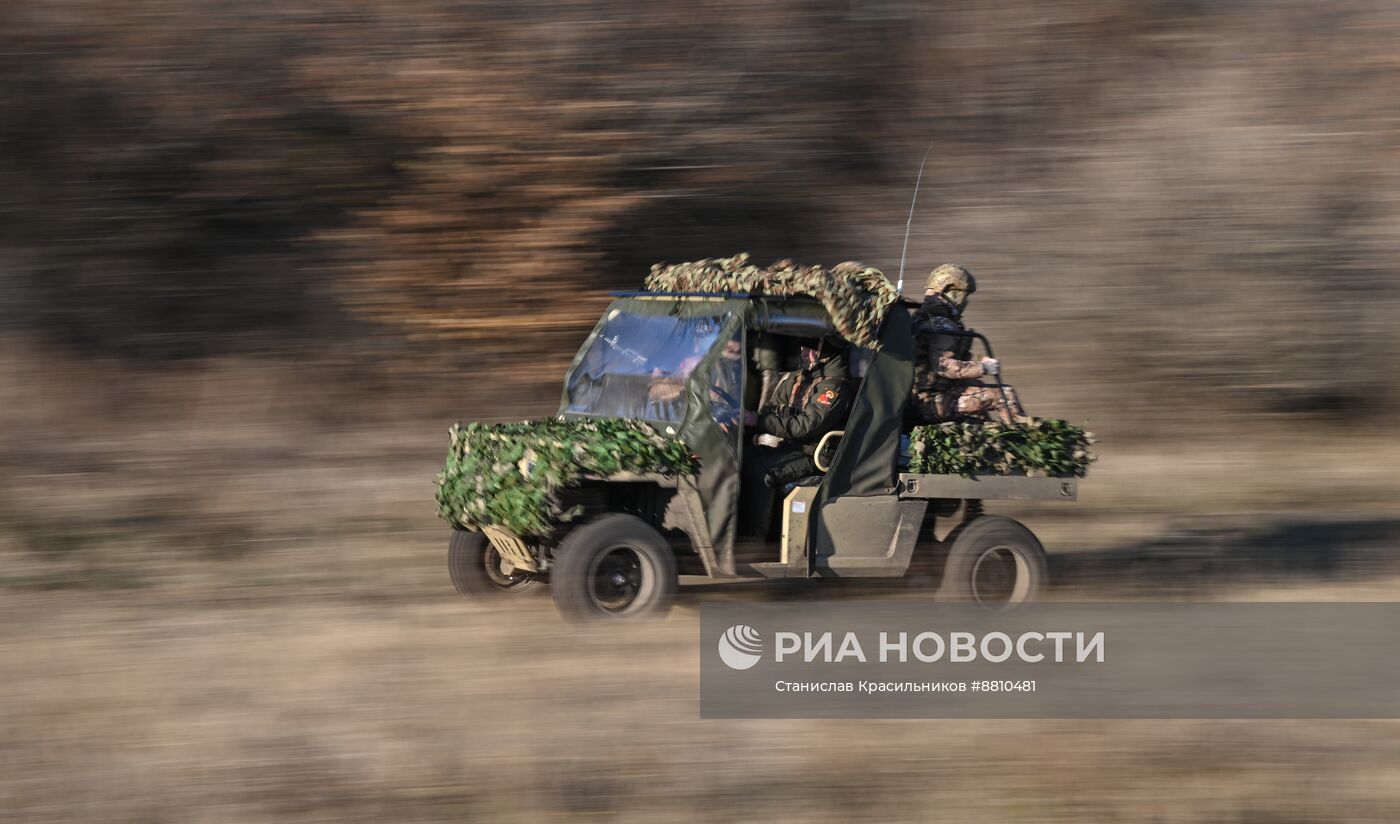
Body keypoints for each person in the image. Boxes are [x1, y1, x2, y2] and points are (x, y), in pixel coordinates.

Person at [740, 337, 852, 537]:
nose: (802, 350)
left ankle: (755, 541)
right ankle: (739, 529)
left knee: (761, 471)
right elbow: (771, 409)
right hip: (791, 446)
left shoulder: (834, 385)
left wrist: (759, 421)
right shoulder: (799, 377)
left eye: (809, 347)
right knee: (743, 457)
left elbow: (805, 426)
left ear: (824, 352)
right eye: (802, 345)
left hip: (814, 454)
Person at [908, 264, 1025, 424]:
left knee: (979, 390)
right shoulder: (940, 324)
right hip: (932, 403)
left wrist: (979, 360)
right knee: (1005, 395)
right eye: (965, 294)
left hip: (926, 399)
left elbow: (943, 357)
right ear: (950, 289)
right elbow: (944, 367)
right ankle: (1019, 440)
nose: (965, 301)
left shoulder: (921, 319)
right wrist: (983, 368)